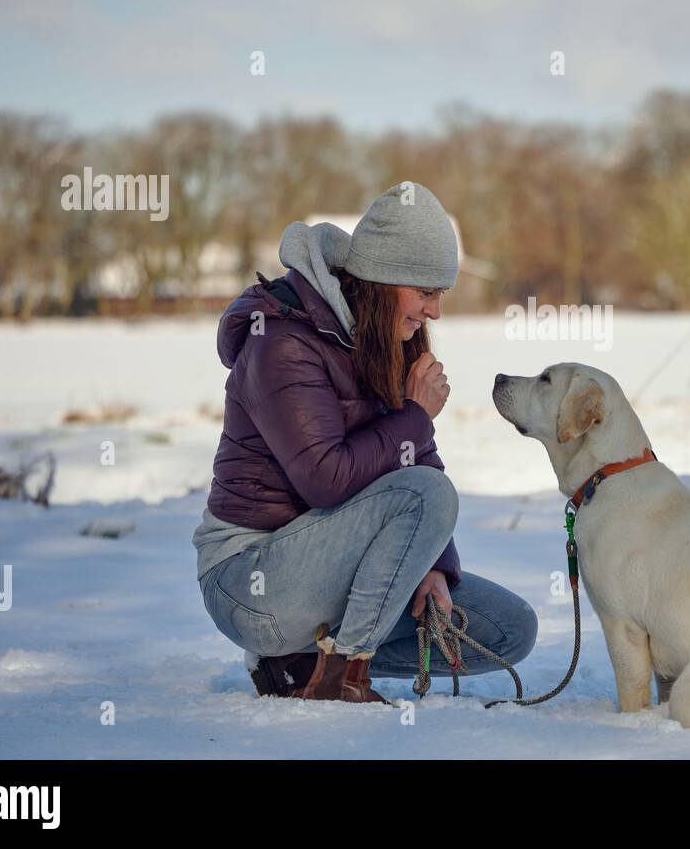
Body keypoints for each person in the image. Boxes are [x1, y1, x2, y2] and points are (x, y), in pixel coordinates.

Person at [193, 181, 537, 703]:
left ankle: (299, 665)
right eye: (426, 292)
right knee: (428, 493)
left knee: (508, 628)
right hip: (251, 580)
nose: (435, 312)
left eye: (440, 294)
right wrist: (415, 413)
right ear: (383, 282)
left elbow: (416, 461)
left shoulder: (384, 340)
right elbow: (326, 480)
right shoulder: (282, 342)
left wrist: (433, 567)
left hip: (335, 568)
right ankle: (339, 677)